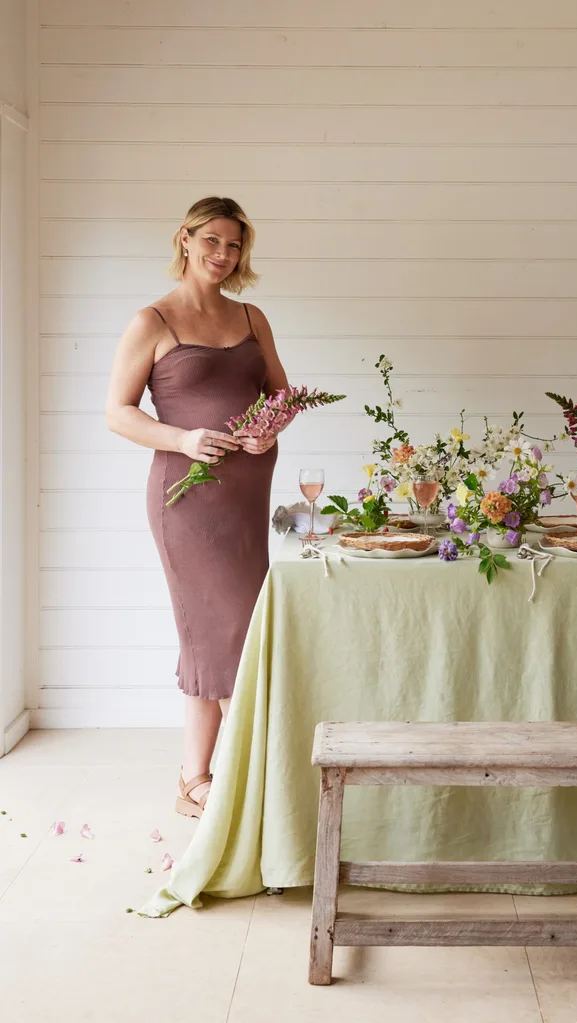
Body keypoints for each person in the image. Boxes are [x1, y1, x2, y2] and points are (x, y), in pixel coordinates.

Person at [106, 196, 289, 817]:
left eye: (235, 245)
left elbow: (282, 395)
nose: (223, 254)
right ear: (184, 239)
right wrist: (183, 439)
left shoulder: (251, 317)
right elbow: (118, 413)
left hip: (245, 498)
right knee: (226, 628)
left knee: (221, 632)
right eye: (212, 240)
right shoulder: (152, 321)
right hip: (186, 503)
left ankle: (195, 779)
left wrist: (268, 428)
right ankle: (244, 779)